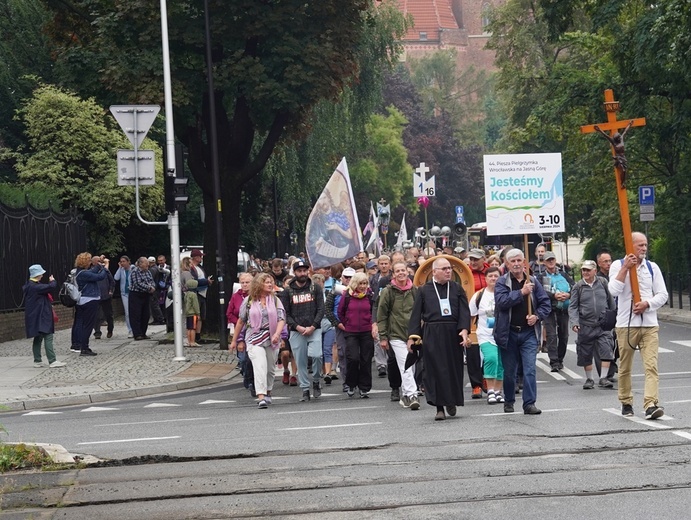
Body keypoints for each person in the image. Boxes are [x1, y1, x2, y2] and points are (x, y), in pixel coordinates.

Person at [609, 232, 668, 420]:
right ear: (630, 245)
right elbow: (613, 291)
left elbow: (663, 294)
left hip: (649, 325)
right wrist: (625, 268)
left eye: (645, 245)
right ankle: (626, 401)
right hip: (626, 325)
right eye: (640, 245)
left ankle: (651, 403)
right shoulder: (617, 265)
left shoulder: (652, 267)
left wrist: (647, 304)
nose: (644, 248)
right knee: (625, 367)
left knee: (651, 366)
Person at [408, 257, 471, 421]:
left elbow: (464, 312)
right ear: (434, 271)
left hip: (453, 333)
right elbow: (415, 316)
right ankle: (439, 407)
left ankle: (451, 401)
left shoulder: (457, 288)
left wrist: (464, 330)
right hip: (432, 333)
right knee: (435, 370)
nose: (448, 271)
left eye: (449, 268)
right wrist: (413, 337)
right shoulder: (423, 290)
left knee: (452, 369)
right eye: (444, 269)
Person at [493, 248, 551, 415]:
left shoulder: (532, 281)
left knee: (530, 369)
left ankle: (529, 403)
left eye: (519, 260)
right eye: (513, 261)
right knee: (510, 372)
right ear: (507, 264)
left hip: (528, 333)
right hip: (509, 333)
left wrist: (537, 316)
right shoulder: (502, 282)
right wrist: (521, 293)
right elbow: (502, 302)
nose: (517, 264)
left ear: (524, 262)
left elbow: (545, 303)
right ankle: (509, 400)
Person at [231, 273, 286, 409]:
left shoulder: (275, 300)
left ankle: (268, 391)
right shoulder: (249, 301)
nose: (269, 284)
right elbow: (241, 321)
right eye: (266, 282)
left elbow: (281, 318)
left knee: (270, 369)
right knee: (259, 366)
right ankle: (261, 396)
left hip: (272, 337)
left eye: (270, 282)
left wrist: (278, 334)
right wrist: (235, 340)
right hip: (254, 337)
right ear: (259, 284)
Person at [377, 261, 420, 410]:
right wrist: (383, 337)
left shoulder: (415, 290)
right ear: (393, 274)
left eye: (403, 270)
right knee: (405, 364)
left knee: (411, 366)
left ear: (407, 272)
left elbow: (420, 312)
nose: (401, 273)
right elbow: (381, 315)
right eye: (397, 271)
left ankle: (406, 395)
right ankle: (413, 395)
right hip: (395, 334)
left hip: (413, 335)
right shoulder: (387, 292)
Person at [281, 259, 324, 402]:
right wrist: (297, 327)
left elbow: (321, 309)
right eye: (299, 271)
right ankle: (305, 388)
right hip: (296, 330)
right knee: (300, 360)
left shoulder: (315, 287)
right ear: (295, 273)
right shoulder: (288, 291)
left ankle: (316, 380)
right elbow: (285, 313)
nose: (303, 273)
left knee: (317, 355)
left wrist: (313, 326)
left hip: (314, 328)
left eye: (305, 270)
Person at [568, 260, 615, 389]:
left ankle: (603, 378)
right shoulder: (578, 287)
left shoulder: (603, 282)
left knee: (606, 349)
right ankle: (589, 379)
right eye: (583, 270)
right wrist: (574, 322)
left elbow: (611, 302)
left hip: (602, 324)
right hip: (585, 325)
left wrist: (613, 318)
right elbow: (573, 307)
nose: (585, 272)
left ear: (595, 271)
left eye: (588, 270)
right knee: (585, 353)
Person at [338, 272, 377, 398]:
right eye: (360, 283)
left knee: (366, 360)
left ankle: (364, 387)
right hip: (351, 332)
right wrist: (347, 323)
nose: (363, 286)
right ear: (355, 283)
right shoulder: (347, 296)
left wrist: (371, 324)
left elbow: (373, 311)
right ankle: (351, 384)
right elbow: (341, 312)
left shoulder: (370, 295)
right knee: (353, 358)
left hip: (366, 331)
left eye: (365, 283)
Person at [469, 267, 504, 404]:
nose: (493, 279)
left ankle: (498, 391)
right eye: (491, 276)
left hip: (502, 334)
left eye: (496, 276)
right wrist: (467, 333)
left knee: (501, 363)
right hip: (485, 334)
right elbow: (471, 315)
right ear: (486, 278)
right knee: (491, 358)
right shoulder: (479, 296)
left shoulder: (504, 294)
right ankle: (490, 390)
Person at [23, 264, 65, 368]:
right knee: (48, 335)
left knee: (38, 337)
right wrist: (52, 281)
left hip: (34, 315)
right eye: (41, 274)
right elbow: (51, 287)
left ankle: (37, 360)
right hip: (42, 315)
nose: (42, 276)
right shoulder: (36, 286)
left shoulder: (29, 285)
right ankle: (52, 360)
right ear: (38, 275)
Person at [540, 251, 574, 372]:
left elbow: (574, 287)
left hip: (563, 310)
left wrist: (568, 295)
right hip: (549, 310)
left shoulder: (564, 275)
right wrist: (554, 296)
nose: (550, 262)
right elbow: (540, 292)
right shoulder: (541, 277)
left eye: (552, 259)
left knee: (564, 336)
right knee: (551, 335)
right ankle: (554, 361)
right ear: (544, 262)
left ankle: (560, 359)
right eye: (548, 260)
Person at [70, 252, 109, 356]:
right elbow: (100, 276)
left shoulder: (80, 272)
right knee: (87, 325)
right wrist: (105, 267)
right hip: (89, 300)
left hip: (83, 300)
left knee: (84, 324)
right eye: (89, 260)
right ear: (86, 261)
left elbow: (94, 271)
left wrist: (99, 262)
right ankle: (84, 348)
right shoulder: (84, 273)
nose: (91, 262)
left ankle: (83, 347)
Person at [326, 266, 355, 392]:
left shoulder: (362, 290)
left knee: (355, 356)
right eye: (346, 277)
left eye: (351, 277)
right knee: (342, 354)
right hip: (341, 327)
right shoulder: (335, 290)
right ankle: (346, 382)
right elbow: (328, 309)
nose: (348, 279)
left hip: (357, 328)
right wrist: (337, 323)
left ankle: (357, 380)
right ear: (341, 278)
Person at [467, 248, 489, 399]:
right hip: (472, 314)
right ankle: (476, 384)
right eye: (471, 259)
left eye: (476, 259)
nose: (473, 262)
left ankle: (488, 378)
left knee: (490, 349)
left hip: (490, 315)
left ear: (483, 259)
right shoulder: (465, 273)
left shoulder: (491, 272)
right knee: (473, 351)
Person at [227, 273, 252, 376]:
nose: (245, 285)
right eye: (242, 282)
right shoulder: (236, 296)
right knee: (242, 358)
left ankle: (251, 377)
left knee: (251, 356)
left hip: (252, 328)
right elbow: (229, 313)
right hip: (239, 328)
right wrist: (239, 321)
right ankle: (245, 372)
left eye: (247, 282)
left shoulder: (255, 296)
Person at [128, 256, 156, 341]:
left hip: (145, 294)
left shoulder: (147, 271)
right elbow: (138, 283)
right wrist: (149, 288)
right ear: (140, 264)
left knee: (146, 314)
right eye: (145, 262)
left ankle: (143, 333)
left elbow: (151, 280)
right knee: (136, 314)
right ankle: (137, 334)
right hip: (136, 294)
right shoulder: (135, 272)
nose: (148, 264)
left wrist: (152, 287)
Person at [190, 249, 213, 342]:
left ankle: (198, 335)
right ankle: (193, 336)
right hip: (197, 293)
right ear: (195, 257)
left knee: (201, 316)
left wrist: (208, 282)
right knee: (196, 315)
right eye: (200, 256)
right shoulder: (192, 268)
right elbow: (193, 281)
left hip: (203, 293)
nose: (201, 258)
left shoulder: (200, 267)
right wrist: (206, 281)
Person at [93, 256, 115, 339]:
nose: (99, 263)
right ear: (93, 263)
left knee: (108, 314)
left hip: (106, 295)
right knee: (96, 315)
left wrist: (111, 290)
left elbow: (112, 281)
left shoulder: (105, 270)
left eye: (100, 261)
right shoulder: (91, 272)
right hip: (96, 296)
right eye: (97, 261)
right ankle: (97, 332)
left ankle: (110, 329)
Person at [114, 256, 133, 337]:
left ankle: (136, 328)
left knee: (134, 311)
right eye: (121, 261)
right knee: (127, 312)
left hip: (133, 292)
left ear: (128, 262)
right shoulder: (121, 270)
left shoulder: (133, 269)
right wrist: (119, 268)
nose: (122, 263)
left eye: (124, 261)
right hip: (124, 293)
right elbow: (116, 278)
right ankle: (130, 330)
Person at [147, 256, 166, 325]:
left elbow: (150, 279)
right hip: (157, 288)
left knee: (154, 305)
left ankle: (160, 319)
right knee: (155, 304)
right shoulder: (157, 268)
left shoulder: (152, 270)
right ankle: (158, 319)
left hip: (154, 289)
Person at [184, 279, 201, 347]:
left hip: (188, 314)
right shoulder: (193, 295)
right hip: (193, 313)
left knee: (189, 328)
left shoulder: (186, 294)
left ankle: (189, 341)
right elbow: (195, 305)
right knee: (193, 328)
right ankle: (192, 341)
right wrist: (198, 313)